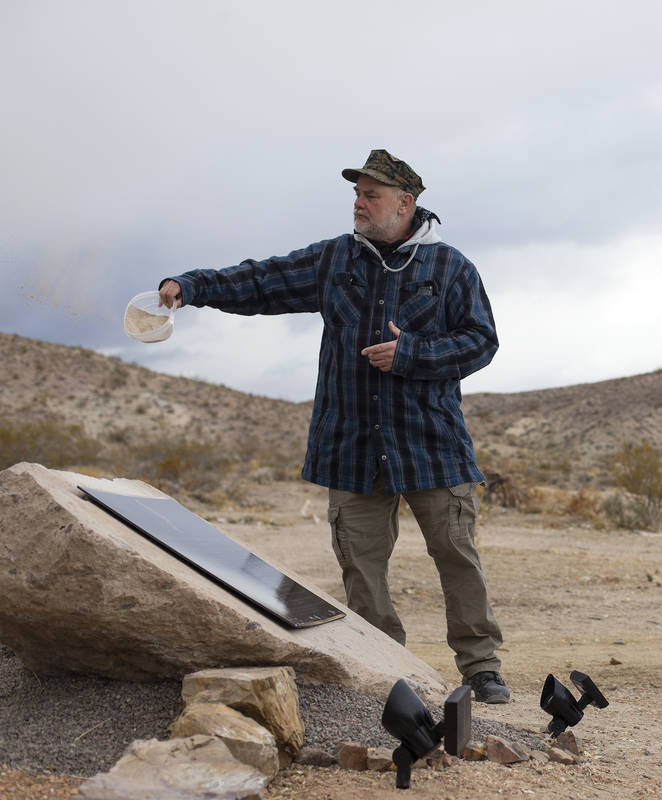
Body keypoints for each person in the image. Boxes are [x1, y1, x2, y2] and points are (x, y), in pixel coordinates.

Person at [157, 150, 511, 703]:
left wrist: (411, 354)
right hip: (351, 447)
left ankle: (481, 667)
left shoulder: (451, 268)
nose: (359, 204)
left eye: (371, 195)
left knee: (457, 556)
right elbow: (262, 281)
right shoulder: (334, 260)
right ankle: (387, 671)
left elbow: (481, 341)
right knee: (361, 569)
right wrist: (191, 285)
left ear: (405, 203)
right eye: (357, 194)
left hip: (432, 446)